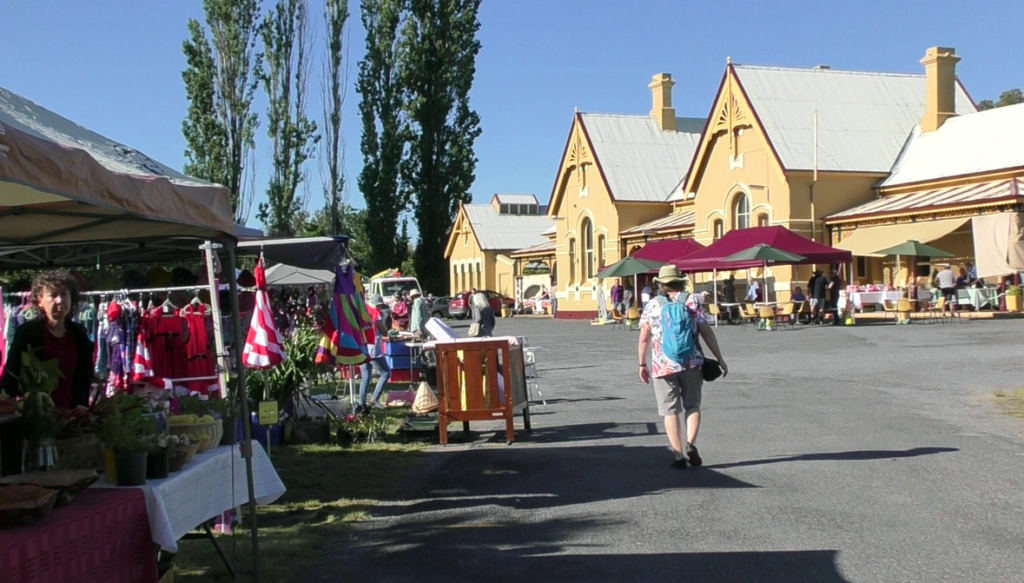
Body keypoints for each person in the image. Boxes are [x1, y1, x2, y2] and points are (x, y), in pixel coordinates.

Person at [638, 265, 728, 470]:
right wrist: (719, 358)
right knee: (693, 405)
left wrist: (642, 364)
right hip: (692, 362)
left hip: (663, 365)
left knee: (669, 411)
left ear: (661, 284)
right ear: (680, 281)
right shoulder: (691, 300)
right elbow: (706, 331)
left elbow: (644, 339)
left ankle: (678, 456)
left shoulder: (653, 305)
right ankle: (690, 444)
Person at [1, 271, 95, 409]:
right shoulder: (27, 332)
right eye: (53, 295)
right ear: (40, 301)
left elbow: (85, 376)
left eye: (64, 294)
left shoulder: (79, 333)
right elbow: (11, 374)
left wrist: (84, 407)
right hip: (36, 415)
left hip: (73, 415)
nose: (60, 300)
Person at [358, 295, 392, 410]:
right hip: (373, 350)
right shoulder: (376, 315)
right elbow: (384, 332)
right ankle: (375, 399)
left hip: (363, 348)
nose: (380, 307)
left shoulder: (363, 313)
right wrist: (384, 321)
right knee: (385, 373)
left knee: (365, 378)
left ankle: (361, 404)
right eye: (379, 305)